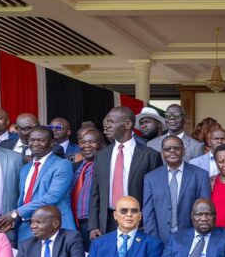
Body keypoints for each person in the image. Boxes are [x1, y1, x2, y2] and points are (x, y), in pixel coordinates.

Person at [87, 106, 161, 239]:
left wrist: (148, 223)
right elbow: (95, 193)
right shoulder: (102, 155)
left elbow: (156, 195)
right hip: (107, 222)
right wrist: (93, 225)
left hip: (138, 222)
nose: (107, 126)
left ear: (128, 124)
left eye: (111, 122)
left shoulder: (150, 155)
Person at [5, 126, 76, 243]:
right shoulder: (25, 169)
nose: (35, 143)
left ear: (52, 143)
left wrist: (16, 213)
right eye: (32, 140)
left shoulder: (62, 165)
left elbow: (52, 197)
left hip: (54, 227)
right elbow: (22, 199)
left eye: (40, 140)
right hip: (26, 228)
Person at [142, 136, 211, 240]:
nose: (172, 151)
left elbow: (204, 210)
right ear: (162, 153)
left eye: (177, 148)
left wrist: (197, 237)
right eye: (167, 149)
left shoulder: (200, 175)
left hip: (191, 238)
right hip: (160, 239)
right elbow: (148, 212)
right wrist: (153, 240)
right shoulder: (151, 178)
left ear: (184, 151)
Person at [71, 128, 102, 249]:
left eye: (92, 142)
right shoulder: (75, 167)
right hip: (74, 222)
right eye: (83, 142)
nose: (87, 145)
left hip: (93, 222)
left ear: (100, 144)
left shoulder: (104, 166)